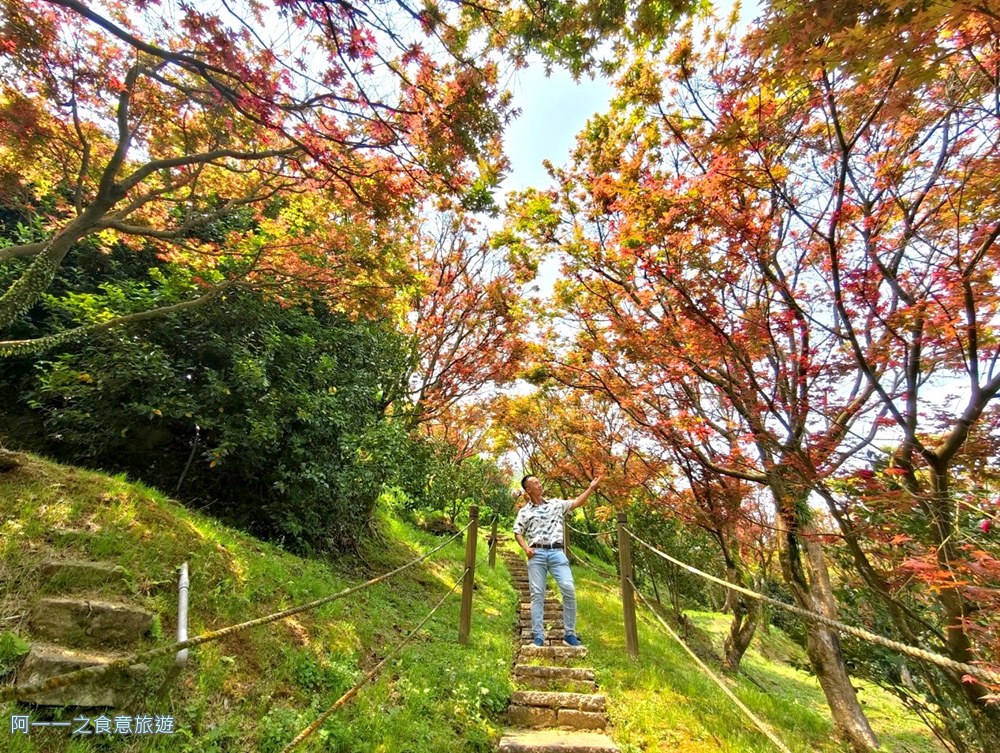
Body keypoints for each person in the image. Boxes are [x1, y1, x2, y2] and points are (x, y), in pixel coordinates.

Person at [513, 473, 604, 647]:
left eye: (539, 482)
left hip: (557, 552)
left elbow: (576, 502)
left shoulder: (555, 504)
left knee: (568, 588)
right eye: (535, 483)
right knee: (537, 594)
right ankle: (538, 637)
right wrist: (526, 549)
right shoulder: (524, 511)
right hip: (537, 554)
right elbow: (518, 532)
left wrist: (591, 488)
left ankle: (569, 634)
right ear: (528, 489)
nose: (540, 485)